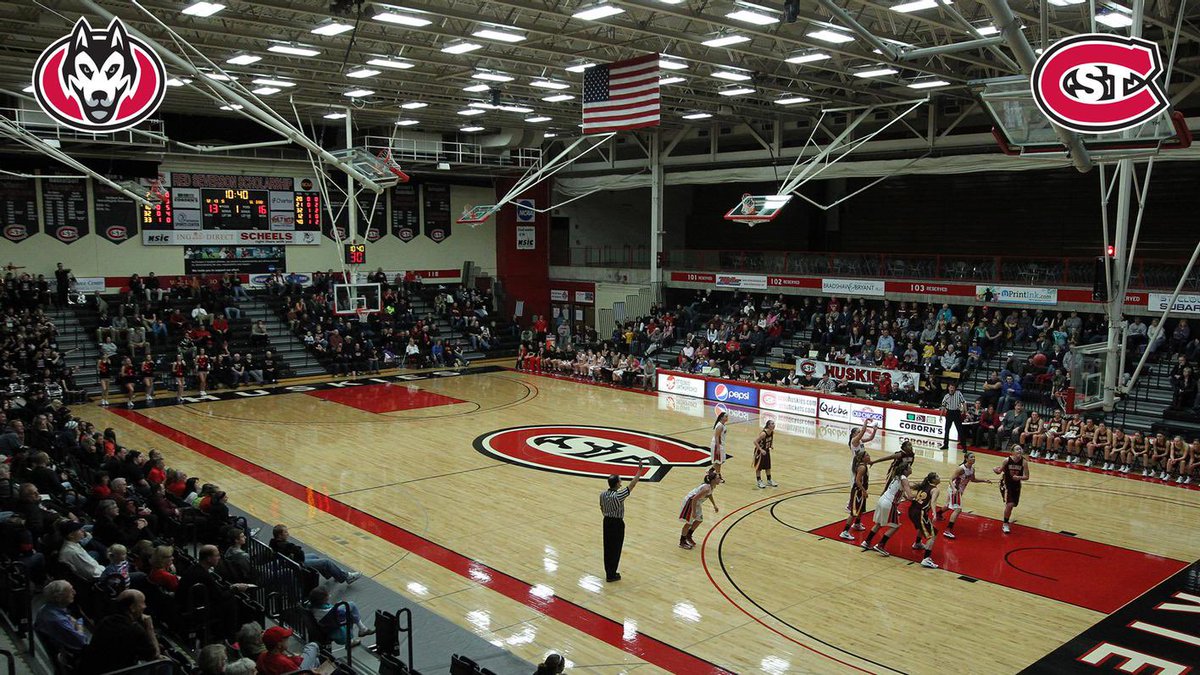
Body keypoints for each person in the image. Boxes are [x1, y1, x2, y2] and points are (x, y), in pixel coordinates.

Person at [78, 590, 161, 674]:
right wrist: (150, 627)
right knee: (164, 664)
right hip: (117, 672)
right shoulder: (135, 629)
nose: (145, 606)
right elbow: (154, 655)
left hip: (92, 670)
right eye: (142, 603)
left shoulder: (105, 621)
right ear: (132, 607)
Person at [599, 458, 646, 583]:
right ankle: (612, 574)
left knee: (607, 547)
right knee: (616, 548)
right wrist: (639, 471)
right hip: (616, 524)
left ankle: (609, 571)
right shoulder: (619, 495)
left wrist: (606, 515)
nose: (621, 482)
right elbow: (632, 485)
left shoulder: (603, 494)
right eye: (620, 481)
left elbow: (602, 507)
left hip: (606, 521)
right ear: (617, 484)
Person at [270, 524, 361, 584]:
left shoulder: (273, 542)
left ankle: (332, 574)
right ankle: (346, 577)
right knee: (326, 562)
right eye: (285, 532)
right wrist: (296, 552)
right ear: (280, 535)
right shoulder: (286, 545)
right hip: (294, 565)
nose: (288, 534)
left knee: (314, 556)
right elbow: (300, 553)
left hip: (288, 561)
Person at [859, 462, 913, 557]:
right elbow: (910, 496)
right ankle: (880, 545)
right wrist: (922, 495)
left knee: (879, 524)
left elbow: (899, 491)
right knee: (896, 526)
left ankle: (866, 542)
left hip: (882, 500)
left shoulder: (897, 476)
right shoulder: (904, 479)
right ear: (905, 470)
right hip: (889, 503)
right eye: (909, 467)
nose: (911, 468)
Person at [35, 579, 90, 656]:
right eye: (70, 591)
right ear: (58, 598)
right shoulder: (59, 620)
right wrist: (79, 625)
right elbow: (82, 642)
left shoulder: (46, 608)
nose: (74, 592)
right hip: (72, 655)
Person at [942, 452, 990, 539]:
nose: (973, 458)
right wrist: (954, 489)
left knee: (949, 505)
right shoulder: (961, 469)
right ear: (966, 459)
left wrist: (984, 480)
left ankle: (938, 514)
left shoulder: (972, 469)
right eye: (971, 457)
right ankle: (948, 530)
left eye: (974, 457)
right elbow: (950, 479)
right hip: (955, 489)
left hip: (959, 490)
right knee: (958, 509)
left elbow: (973, 479)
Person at [308, 587, 375, 646]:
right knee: (351, 606)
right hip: (338, 633)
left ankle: (362, 630)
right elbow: (338, 612)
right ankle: (361, 630)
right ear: (323, 599)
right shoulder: (329, 612)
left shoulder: (314, 607)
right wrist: (339, 605)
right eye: (327, 596)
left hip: (327, 627)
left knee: (349, 611)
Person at [257, 626, 328, 675]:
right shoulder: (285, 662)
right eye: (286, 640)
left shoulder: (262, 656)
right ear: (279, 645)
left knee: (316, 660)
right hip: (300, 671)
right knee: (313, 646)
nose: (288, 641)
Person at [678, 470, 720, 550]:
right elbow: (694, 499)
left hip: (696, 503)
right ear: (713, 480)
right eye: (718, 478)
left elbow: (709, 495)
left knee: (699, 520)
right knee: (688, 523)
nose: (720, 479)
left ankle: (688, 535)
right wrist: (693, 512)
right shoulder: (706, 488)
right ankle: (682, 542)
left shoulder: (712, 486)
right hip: (690, 502)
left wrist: (714, 505)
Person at [908, 472, 941, 568]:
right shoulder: (935, 489)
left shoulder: (924, 485)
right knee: (932, 535)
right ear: (934, 480)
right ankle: (926, 559)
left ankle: (917, 543)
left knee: (921, 527)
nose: (939, 478)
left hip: (912, 510)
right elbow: (933, 502)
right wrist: (934, 512)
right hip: (920, 513)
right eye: (937, 476)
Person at [994, 445, 1030, 534]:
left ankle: (1007, 514)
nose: (1019, 450)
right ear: (1012, 452)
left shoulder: (1024, 462)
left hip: (1016, 485)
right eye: (1017, 449)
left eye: (1020, 449)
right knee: (1009, 504)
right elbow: (999, 471)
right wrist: (995, 469)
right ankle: (1005, 524)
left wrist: (1019, 477)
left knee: (1013, 504)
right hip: (1006, 484)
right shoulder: (1006, 460)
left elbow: (1027, 477)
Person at [838, 445, 871, 540]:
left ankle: (857, 524)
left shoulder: (863, 465)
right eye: (867, 455)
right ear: (863, 458)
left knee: (860, 509)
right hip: (858, 491)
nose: (869, 456)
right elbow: (857, 480)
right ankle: (844, 532)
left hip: (860, 491)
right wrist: (864, 491)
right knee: (854, 512)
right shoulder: (862, 468)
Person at [939, 382, 966, 450]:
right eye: (950, 387)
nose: (952, 389)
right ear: (948, 388)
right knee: (947, 430)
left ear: (955, 388)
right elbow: (943, 406)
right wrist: (941, 415)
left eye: (953, 388)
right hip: (949, 413)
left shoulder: (958, 393)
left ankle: (964, 447)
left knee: (960, 430)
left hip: (956, 412)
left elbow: (964, 402)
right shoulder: (946, 396)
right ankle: (945, 445)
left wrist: (965, 411)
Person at [753, 420, 777, 489]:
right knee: (759, 468)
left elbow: (771, 439)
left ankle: (769, 480)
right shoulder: (763, 433)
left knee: (768, 466)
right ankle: (759, 481)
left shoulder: (772, 432)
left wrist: (771, 445)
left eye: (774, 423)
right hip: (759, 452)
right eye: (772, 424)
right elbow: (755, 442)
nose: (774, 425)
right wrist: (761, 449)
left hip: (766, 451)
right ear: (768, 425)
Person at [710, 411, 728, 483]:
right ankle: (718, 476)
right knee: (719, 461)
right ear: (721, 418)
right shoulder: (720, 426)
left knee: (721, 460)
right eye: (725, 416)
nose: (727, 418)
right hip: (717, 445)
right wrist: (717, 447)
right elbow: (716, 437)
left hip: (721, 444)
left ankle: (710, 471)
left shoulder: (722, 425)